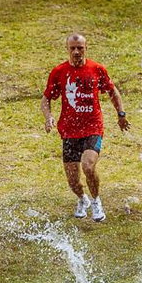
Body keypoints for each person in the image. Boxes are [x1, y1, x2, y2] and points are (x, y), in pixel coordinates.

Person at [41, 33, 130, 222]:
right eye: (72, 48)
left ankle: (97, 201)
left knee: (88, 166)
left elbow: (112, 91)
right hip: (69, 130)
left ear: (85, 48)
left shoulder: (96, 69)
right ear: (67, 49)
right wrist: (48, 117)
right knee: (73, 180)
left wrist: (121, 114)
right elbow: (46, 98)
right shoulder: (59, 72)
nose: (76, 52)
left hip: (92, 127)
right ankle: (83, 199)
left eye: (80, 48)